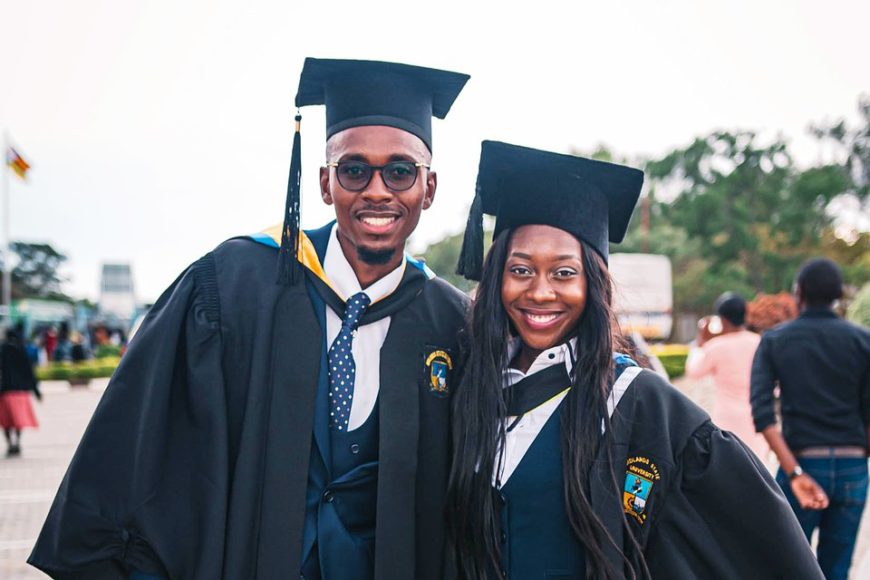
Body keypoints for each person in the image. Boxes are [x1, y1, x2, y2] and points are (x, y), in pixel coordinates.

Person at [29, 58, 470, 580]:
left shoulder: (452, 323)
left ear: (429, 188)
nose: (377, 190)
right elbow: (143, 441)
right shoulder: (234, 285)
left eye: (400, 171)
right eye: (354, 170)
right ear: (325, 183)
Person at [447, 141, 822, 579]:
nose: (541, 291)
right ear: (497, 277)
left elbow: (767, 546)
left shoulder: (637, 401)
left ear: (593, 283)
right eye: (521, 270)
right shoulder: (475, 386)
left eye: (564, 273)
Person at [751, 258, 870, 580]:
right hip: (853, 467)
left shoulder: (775, 341)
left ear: (799, 292)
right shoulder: (863, 340)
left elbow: (763, 414)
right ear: (839, 294)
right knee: (837, 569)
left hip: (802, 463)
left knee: (787, 566)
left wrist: (795, 473)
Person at [685, 292, 767, 458]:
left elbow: (693, 372)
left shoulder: (716, 346)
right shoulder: (760, 342)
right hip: (757, 418)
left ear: (722, 319)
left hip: (727, 419)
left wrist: (699, 344)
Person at [0, 327, 41, 456]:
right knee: (18, 420)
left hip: (5, 391)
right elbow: (29, 371)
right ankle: (17, 442)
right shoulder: (21, 349)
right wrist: (36, 391)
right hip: (20, 392)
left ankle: (10, 444)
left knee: (6, 421)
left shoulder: (2, 350)